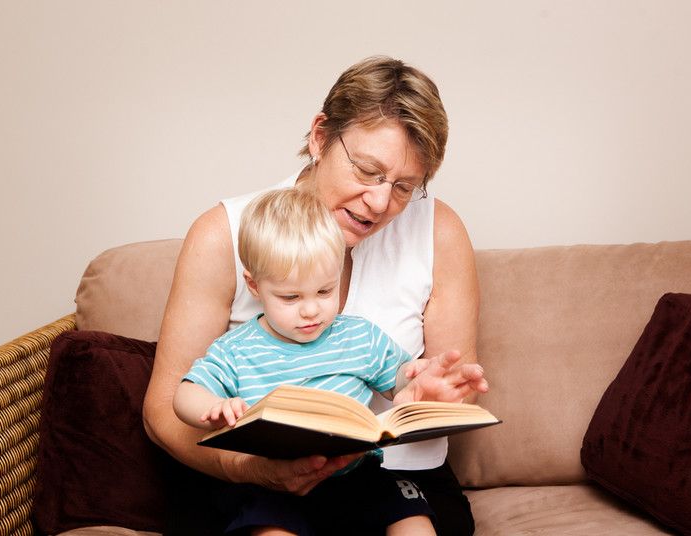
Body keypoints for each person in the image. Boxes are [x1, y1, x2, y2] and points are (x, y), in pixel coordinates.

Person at [143, 55, 484, 535]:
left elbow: (453, 387)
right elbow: (164, 408)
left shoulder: (439, 229)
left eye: (406, 186)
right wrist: (253, 470)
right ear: (320, 137)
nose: (382, 203)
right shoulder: (224, 234)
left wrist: (430, 398)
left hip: (391, 476)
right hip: (254, 478)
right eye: (367, 171)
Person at [173, 187, 482, 535]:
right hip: (273, 481)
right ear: (254, 286)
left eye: (324, 291)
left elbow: (400, 383)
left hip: (357, 474)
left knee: (411, 513)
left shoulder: (359, 336)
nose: (311, 310)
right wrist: (215, 406)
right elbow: (184, 394)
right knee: (265, 522)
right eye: (290, 297)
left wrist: (417, 385)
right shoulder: (237, 349)